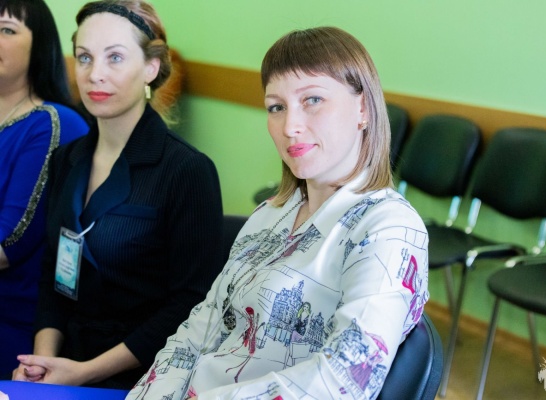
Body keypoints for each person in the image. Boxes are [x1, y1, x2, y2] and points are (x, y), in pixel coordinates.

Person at [127, 26, 429, 399]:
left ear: (363, 109)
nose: (290, 127)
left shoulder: (387, 228)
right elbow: (198, 330)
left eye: (313, 100)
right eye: (276, 107)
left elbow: (341, 381)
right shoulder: (270, 214)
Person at [12, 0, 224, 389]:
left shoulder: (186, 170)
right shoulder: (66, 159)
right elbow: (54, 277)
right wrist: (42, 363)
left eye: (115, 58)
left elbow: (190, 306)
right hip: (66, 365)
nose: (95, 74)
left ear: (151, 67)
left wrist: (85, 373)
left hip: (143, 378)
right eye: (85, 58)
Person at [0, 0, 89, 377]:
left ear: (40, 44)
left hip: (15, 327)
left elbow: (9, 243)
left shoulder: (53, 122)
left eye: (6, 30)